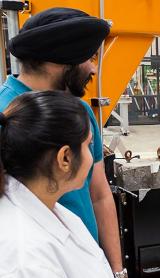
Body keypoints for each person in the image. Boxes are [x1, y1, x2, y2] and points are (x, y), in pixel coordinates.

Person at [0, 7, 125, 276]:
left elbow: (99, 193)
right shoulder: (4, 111)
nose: (94, 68)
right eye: (89, 57)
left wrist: (117, 270)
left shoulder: (80, 113)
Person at [0, 91, 113, 277]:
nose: (91, 157)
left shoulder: (51, 209)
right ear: (65, 158)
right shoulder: (25, 259)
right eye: (88, 145)